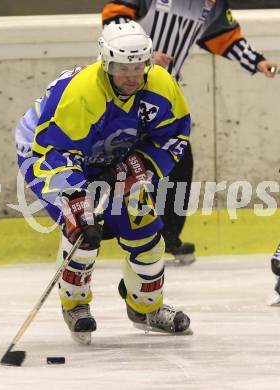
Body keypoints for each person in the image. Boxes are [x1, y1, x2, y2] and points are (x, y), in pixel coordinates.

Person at [15, 21, 193, 344]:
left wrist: (141, 164)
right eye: (123, 68)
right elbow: (53, 150)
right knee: (82, 226)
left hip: (111, 158)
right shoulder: (82, 93)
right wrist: (76, 194)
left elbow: (175, 134)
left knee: (147, 231)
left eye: (138, 67)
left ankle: (147, 308)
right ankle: (76, 306)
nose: (131, 76)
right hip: (44, 152)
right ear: (106, 63)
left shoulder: (160, 86)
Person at [102, 0, 278, 266]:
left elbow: (224, 37)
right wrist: (142, 54)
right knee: (118, 161)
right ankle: (101, 226)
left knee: (178, 161)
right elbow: (114, 15)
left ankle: (167, 235)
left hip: (162, 93)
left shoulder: (214, 5)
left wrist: (257, 61)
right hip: (124, 88)